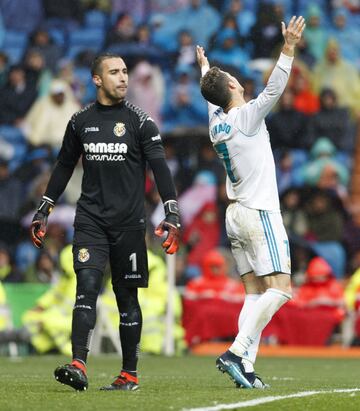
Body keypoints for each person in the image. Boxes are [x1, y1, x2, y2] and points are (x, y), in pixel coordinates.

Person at [30, 52, 181, 391]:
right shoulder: (80, 121)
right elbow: (64, 167)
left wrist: (172, 211)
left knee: (127, 298)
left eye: (125, 71)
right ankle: (78, 364)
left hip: (129, 225)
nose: (123, 78)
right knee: (86, 287)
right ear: (97, 79)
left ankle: (129, 374)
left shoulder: (141, 122)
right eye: (114, 72)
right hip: (90, 222)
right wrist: (44, 209)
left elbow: (159, 167)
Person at [196, 15, 305, 389]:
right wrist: (288, 47)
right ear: (232, 84)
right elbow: (274, 90)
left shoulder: (216, 123)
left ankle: (248, 366)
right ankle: (236, 351)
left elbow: (211, 97)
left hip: (234, 214)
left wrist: (205, 68)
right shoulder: (246, 117)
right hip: (259, 212)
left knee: (254, 293)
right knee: (281, 289)